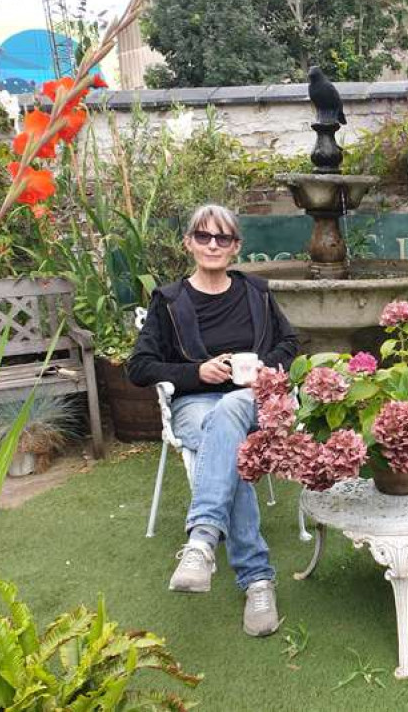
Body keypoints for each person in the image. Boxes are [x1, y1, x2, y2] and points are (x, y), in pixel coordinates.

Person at [128, 204, 300, 637]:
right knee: (223, 430)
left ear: (236, 247)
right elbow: (139, 367)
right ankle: (257, 579)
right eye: (203, 236)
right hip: (195, 406)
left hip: (252, 402)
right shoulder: (168, 302)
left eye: (222, 238)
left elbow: (289, 342)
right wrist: (195, 372)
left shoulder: (256, 293)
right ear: (189, 242)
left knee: (231, 411)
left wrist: (266, 369)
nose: (212, 245)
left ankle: (203, 541)